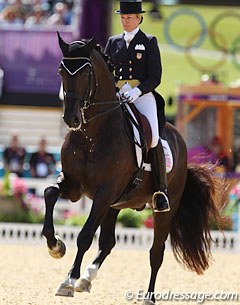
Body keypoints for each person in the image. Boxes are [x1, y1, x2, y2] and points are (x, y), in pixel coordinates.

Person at [105, 0, 169, 212]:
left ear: (139, 18)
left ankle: (161, 191)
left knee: (152, 139)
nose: (125, 21)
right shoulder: (113, 42)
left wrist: (137, 91)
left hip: (141, 96)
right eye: (122, 18)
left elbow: (155, 76)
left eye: (129, 18)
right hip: (117, 96)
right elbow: (107, 72)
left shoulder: (149, 41)